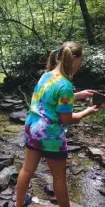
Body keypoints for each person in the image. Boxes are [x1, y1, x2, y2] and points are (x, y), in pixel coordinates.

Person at [15, 42, 102, 207]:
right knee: (59, 177)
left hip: (33, 129)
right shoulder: (66, 85)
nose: (81, 64)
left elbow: (48, 99)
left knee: (27, 170)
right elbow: (67, 119)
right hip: (51, 135)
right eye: (81, 60)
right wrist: (87, 112)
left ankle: (18, 204)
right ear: (74, 59)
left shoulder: (46, 75)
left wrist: (78, 95)